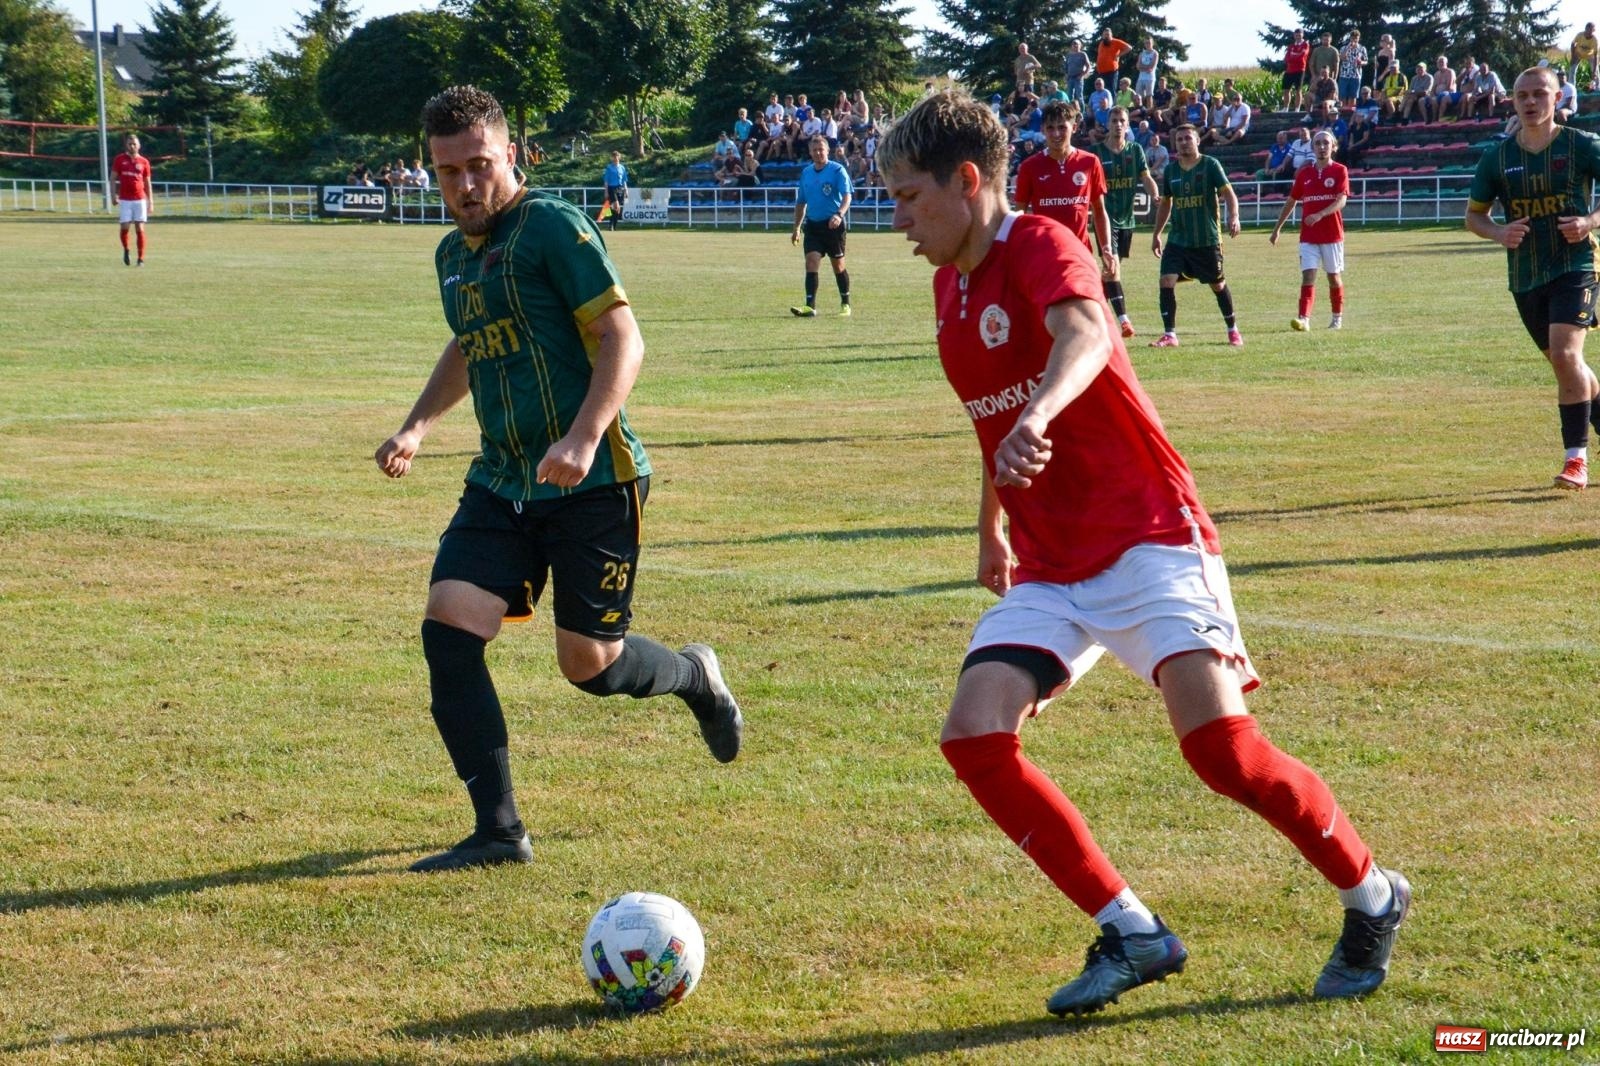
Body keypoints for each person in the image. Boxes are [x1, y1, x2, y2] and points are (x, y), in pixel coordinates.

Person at [876, 90, 1411, 1017]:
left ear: (969, 182)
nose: (898, 220)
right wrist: (991, 525)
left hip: (1148, 533)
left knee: (1222, 753)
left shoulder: (1042, 244)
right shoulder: (948, 286)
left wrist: (1040, 413)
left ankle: (1373, 894)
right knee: (973, 732)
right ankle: (1133, 931)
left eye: (909, 196)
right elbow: (994, 420)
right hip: (1051, 561)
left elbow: (1084, 335)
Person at [373, 85, 744, 873]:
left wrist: (582, 437)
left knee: (589, 666)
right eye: (447, 172)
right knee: (448, 629)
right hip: (503, 480)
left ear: (511, 153)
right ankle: (499, 831)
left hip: (592, 481)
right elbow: (469, 346)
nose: (465, 186)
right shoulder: (451, 255)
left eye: (479, 165)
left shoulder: (553, 228)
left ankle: (693, 675)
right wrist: (415, 425)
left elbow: (623, 339)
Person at [1466, 66, 1600, 491]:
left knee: (1565, 355)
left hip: (1576, 264)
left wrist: (1590, 220)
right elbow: (1474, 215)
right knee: (1565, 365)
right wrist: (1499, 233)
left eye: (1539, 94)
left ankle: (1575, 460)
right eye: (1521, 95)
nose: (1529, 102)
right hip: (1525, 275)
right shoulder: (1498, 157)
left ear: (1558, 98)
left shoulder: (1581, 146)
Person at [1149, 124, 1244, 347]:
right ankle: (1170, 335)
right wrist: (1156, 234)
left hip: (1206, 239)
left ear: (1197, 141)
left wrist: (1234, 216)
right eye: (1179, 139)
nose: (1183, 142)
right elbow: (1166, 204)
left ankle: (1232, 329)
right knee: (1166, 280)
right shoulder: (1171, 171)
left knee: (1217, 285)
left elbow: (1229, 193)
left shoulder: (1210, 165)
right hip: (1178, 239)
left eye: (1187, 138)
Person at [1014, 102, 1112, 272]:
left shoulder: (1090, 162)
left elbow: (1099, 211)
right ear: (1043, 129)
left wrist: (1106, 248)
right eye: (1050, 128)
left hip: (1080, 256)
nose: (1056, 133)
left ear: (1074, 127)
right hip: (1044, 257)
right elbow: (1019, 214)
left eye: (1062, 127)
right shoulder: (1029, 167)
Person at [1270, 129, 1350, 331]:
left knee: (1333, 277)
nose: (1322, 147)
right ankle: (1304, 318)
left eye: (1326, 143)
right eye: (1318, 143)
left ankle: (1336, 318)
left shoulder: (1340, 170)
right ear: (1312, 148)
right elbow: (1291, 201)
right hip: (1308, 236)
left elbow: (1342, 200)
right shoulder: (1304, 173)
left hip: (1332, 235)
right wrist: (1277, 228)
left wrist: (1321, 214)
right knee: (1308, 276)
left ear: (1333, 147)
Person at [1093, 106, 1161, 337]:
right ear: (1108, 124)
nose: (1119, 124)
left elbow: (1146, 177)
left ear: (1127, 124)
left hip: (1127, 220)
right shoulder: (1097, 154)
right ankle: (1124, 321)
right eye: (1114, 120)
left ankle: (1092, 306)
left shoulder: (1136, 151)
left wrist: (1154, 194)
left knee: (1110, 269)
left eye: (1122, 120)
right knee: (1113, 268)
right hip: (1106, 218)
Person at [790, 134, 853, 317]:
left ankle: (845, 303)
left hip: (833, 227)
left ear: (828, 151)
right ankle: (810, 306)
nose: (818, 153)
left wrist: (839, 215)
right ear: (810, 152)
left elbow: (847, 196)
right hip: (813, 227)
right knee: (811, 262)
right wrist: (796, 228)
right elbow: (801, 203)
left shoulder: (837, 170)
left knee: (838, 266)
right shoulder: (806, 173)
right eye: (814, 150)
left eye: (821, 150)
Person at [111, 132, 153, 267]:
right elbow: (113, 178)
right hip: (125, 199)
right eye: (130, 144)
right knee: (125, 227)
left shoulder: (144, 162)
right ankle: (126, 249)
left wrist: (150, 201)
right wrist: (113, 195)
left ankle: (141, 259)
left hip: (139, 199)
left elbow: (147, 182)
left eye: (134, 144)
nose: (132, 146)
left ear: (139, 146)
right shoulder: (119, 159)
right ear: (126, 145)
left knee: (140, 228)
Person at [1282, 28, 1311, 113]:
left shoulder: (1305, 44)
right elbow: (1287, 58)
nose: (1298, 36)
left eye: (1299, 35)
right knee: (1286, 89)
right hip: (1289, 70)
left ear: (1302, 35)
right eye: (1296, 35)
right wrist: (1294, 56)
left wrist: (1293, 56)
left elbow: (1302, 56)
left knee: (1298, 89)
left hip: (1299, 70)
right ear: (1294, 35)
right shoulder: (1291, 46)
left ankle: (1297, 108)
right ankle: (1285, 108)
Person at [1337, 30, 1367, 108]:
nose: (1354, 40)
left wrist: (1361, 62)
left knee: (1353, 95)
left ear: (1359, 38)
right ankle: (1343, 110)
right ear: (1350, 38)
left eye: (1356, 38)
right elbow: (1342, 58)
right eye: (1353, 38)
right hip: (1344, 74)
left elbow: (1366, 61)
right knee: (1343, 95)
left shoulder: (1362, 48)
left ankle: (1350, 112)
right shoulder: (1344, 47)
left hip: (1356, 75)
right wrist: (1348, 48)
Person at [602, 150, 628, 232]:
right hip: (612, 188)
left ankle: (613, 225)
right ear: (612, 158)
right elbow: (606, 181)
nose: (615, 158)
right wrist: (606, 191)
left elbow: (624, 180)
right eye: (614, 157)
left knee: (617, 209)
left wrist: (626, 190)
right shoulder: (609, 168)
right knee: (616, 205)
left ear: (619, 157)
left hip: (620, 188)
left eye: (617, 157)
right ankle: (611, 225)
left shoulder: (622, 167)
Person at [1572, 22, 1599, 92]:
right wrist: (1573, 57)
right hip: (1578, 54)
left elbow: (1596, 55)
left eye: (1592, 30)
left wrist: (1595, 69)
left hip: (1590, 55)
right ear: (1585, 29)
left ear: (1593, 30)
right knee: (1572, 69)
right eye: (1588, 29)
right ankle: (1572, 88)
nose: (1590, 32)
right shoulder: (1580, 35)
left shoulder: (1595, 40)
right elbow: (1573, 44)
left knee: (1596, 72)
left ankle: (1597, 88)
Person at [1064, 40, 1090, 104]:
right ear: (1071, 46)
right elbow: (1066, 66)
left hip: (1078, 78)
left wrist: (1082, 75)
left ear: (1080, 46)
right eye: (1073, 44)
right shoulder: (1069, 55)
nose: (1075, 45)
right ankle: (1070, 111)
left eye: (1077, 44)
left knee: (1079, 96)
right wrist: (1066, 75)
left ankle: (1082, 112)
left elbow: (1088, 66)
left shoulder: (1083, 54)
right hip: (1070, 78)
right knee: (1069, 96)